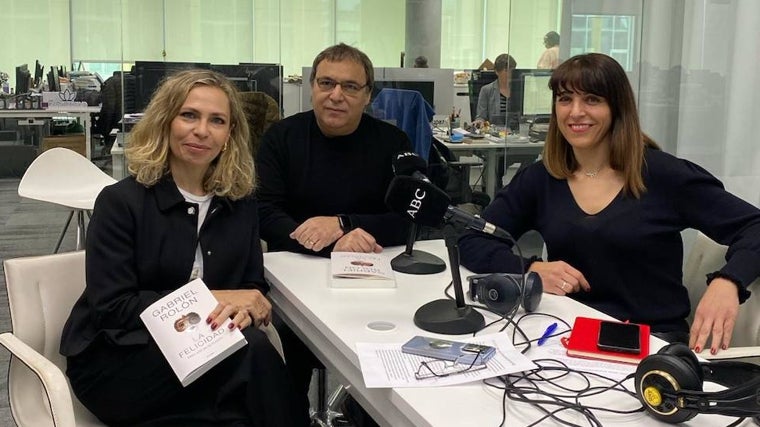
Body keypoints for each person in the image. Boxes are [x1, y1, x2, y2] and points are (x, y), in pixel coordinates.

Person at [459, 53, 760, 355]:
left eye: (592, 100)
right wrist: (530, 268)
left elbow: (754, 226)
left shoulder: (664, 175)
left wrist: (728, 281)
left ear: (617, 108)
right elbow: (472, 240)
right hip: (570, 333)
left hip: (653, 343)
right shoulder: (541, 179)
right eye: (565, 99)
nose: (575, 112)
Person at [60, 69, 309, 427]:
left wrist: (244, 309)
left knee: (238, 405)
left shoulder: (240, 204)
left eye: (217, 121)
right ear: (165, 122)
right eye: (189, 115)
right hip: (120, 360)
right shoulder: (121, 202)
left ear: (229, 136)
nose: (202, 130)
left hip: (207, 354)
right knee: (252, 353)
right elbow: (113, 309)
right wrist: (214, 299)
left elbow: (251, 286)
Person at [255, 43, 412, 424]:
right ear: (312, 86)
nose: (336, 95)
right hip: (294, 274)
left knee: (388, 361)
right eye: (326, 82)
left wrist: (343, 223)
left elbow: (408, 218)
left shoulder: (393, 144)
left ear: (367, 95)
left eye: (350, 87)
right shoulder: (281, 138)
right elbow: (263, 211)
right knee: (285, 364)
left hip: (376, 277)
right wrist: (333, 243)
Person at [473, 53, 537, 187]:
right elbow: (480, 116)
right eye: (506, 71)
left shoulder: (520, 89)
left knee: (533, 155)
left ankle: (516, 187)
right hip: (497, 139)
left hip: (518, 138)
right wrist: (479, 122)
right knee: (496, 167)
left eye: (512, 70)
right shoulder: (487, 90)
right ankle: (496, 194)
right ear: (497, 71)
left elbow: (528, 114)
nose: (509, 74)